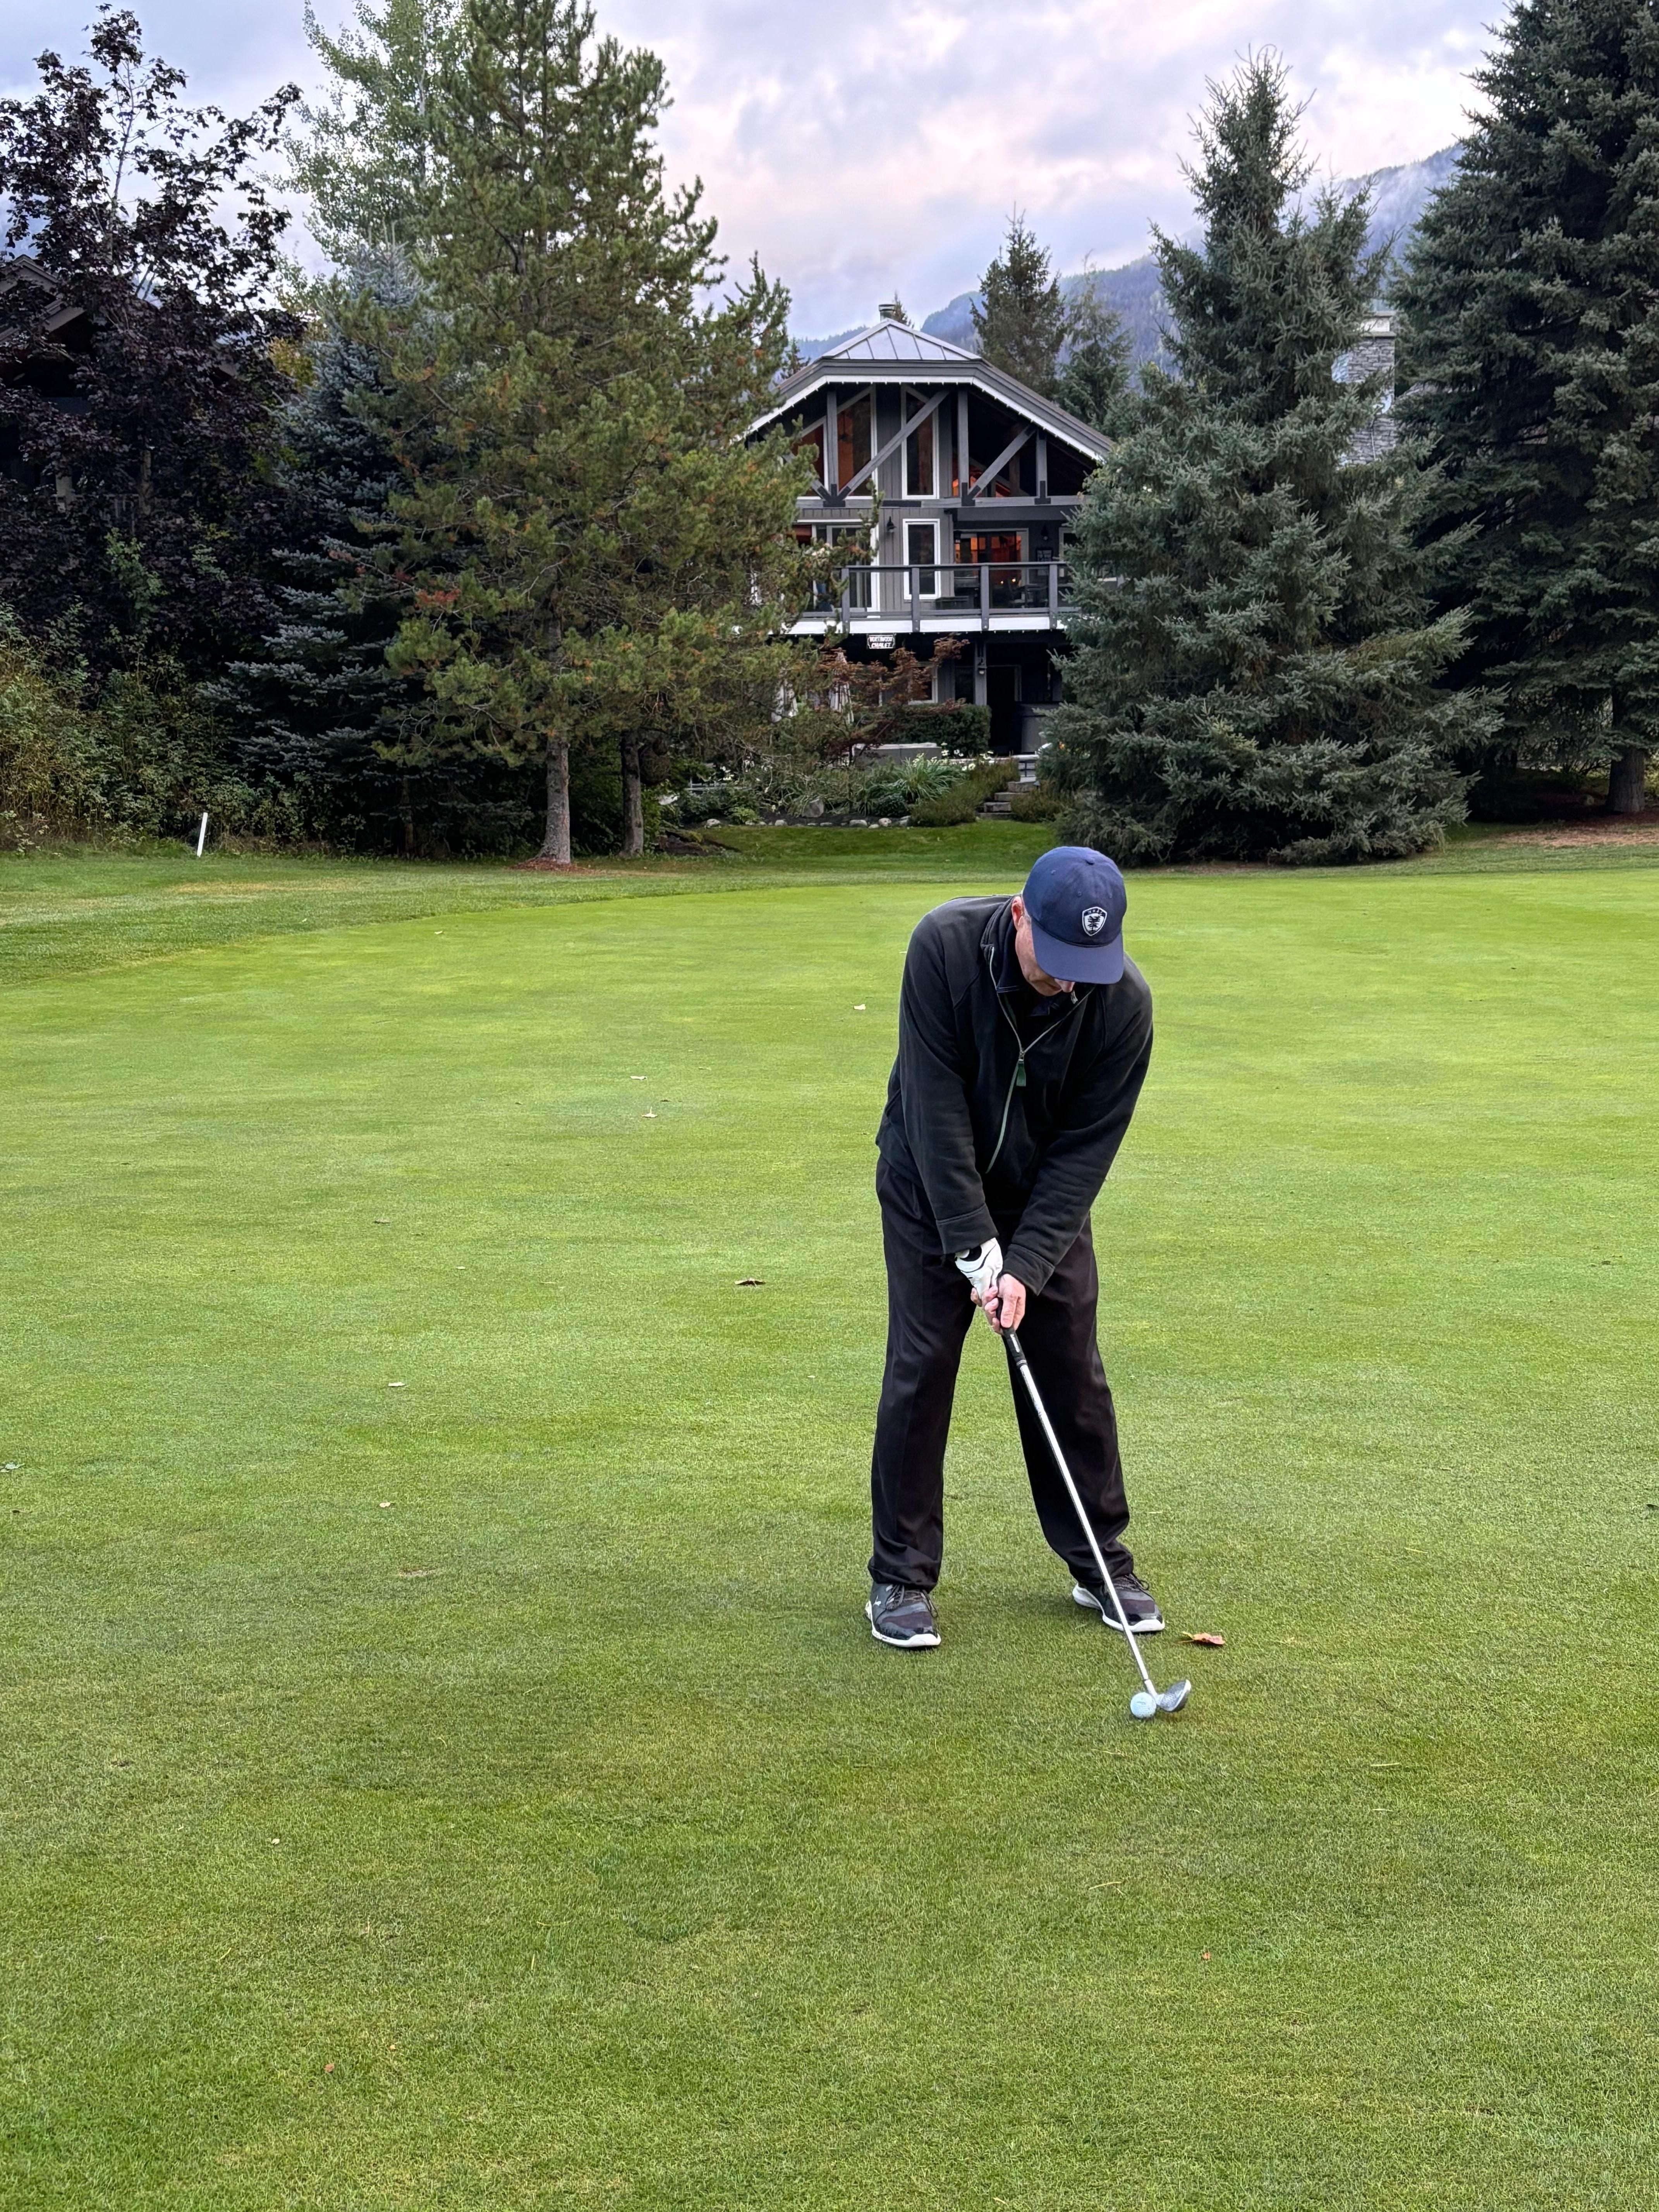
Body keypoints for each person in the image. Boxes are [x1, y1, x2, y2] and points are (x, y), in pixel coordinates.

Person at [866, 845, 1156, 1649]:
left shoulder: (1123, 1003)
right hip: (929, 1187)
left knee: (1069, 1369)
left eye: (1087, 966)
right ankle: (900, 1576)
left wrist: (1023, 1264)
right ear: (1021, 915)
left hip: (1040, 1201)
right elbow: (933, 1107)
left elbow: (1085, 1152)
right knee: (923, 1364)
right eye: (1058, 960)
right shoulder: (945, 947)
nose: (1070, 982)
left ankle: (1102, 1563)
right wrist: (972, 1247)